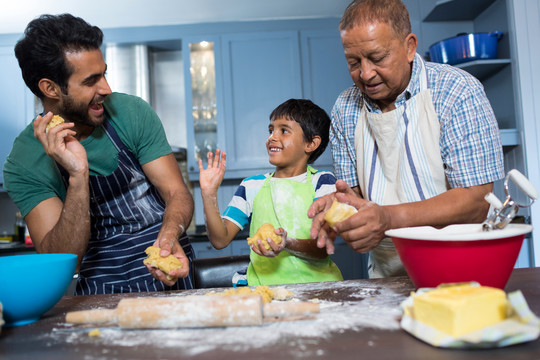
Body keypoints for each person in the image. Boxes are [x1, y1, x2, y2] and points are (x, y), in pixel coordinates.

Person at [308, 0, 504, 278]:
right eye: (353, 62)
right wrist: (339, 209)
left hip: (461, 267)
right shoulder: (345, 107)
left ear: (410, 46)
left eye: (377, 58)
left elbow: (478, 202)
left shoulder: (456, 91)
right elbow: (358, 198)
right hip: (386, 273)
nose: (365, 74)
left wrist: (388, 218)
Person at [3, 14, 195, 295]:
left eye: (104, 73)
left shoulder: (130, 112)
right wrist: (78, 176)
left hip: (170, 272)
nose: (106, 88)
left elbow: (177, 192)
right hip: (101, 291)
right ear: (50, 88)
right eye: (91, 81)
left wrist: (168, 237)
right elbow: (60, 259)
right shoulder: (24, 162)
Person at [199, 99, 343, 285]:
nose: (272, 137)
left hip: (318, 287)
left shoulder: (323, 182)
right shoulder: (251, 186)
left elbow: (324, 249)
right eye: (270, 130)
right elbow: (220, 239)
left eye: (284, 130)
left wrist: (287, 243)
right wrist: (208, 194)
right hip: (263, 289)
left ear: (311, 144)